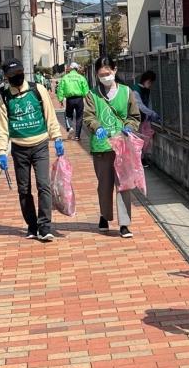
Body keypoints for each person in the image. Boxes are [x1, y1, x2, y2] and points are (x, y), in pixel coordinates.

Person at [0, 58, 64, 241]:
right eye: (12, 75)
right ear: (6, 77)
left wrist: (57, 137)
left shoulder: (37, 90)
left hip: (40, 145)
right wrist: (2, 152)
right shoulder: (3, 98)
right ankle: (32, 226)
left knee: (44, 185)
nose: (16, 77)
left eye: (19, 74)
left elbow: (50, 115)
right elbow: (1, 128)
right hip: (19, 148)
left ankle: (45, 226)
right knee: (24, 189)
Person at [83, 56, 141, 238]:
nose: (105, 77)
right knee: (104, 185)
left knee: (124, 185)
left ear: (115, 70)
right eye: (101, 75)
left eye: (107, 73)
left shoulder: (126, 92)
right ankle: (104, 215)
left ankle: (124, 224)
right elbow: (88, 116)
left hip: (122, 146)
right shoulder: (92, 94)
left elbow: (134, 116)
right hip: (102, 147)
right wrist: (96, 127)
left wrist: (129, 127)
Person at [56, 62, 90, 141]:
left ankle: (70, 127)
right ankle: (77, 136)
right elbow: (86, 89)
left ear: (70, 68)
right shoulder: (81, 77)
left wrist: (60, 99)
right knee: (79, 117)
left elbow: (60, 89)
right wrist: (86, 98)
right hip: (79, 99)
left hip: (69, 99)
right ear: (77, 69)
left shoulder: (65, 77)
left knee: (68, 115)